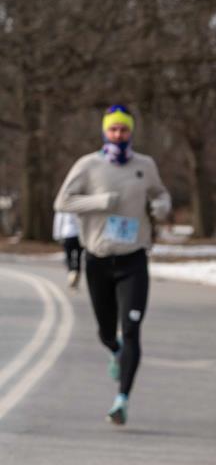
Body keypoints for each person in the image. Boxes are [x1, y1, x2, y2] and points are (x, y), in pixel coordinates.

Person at [53, 104, 171, 425]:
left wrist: (161, 206)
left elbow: (161, 194)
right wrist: (98, 202)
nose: (119, 134)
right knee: (107, 332)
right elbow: (62, 202)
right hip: (99, 260)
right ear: (105, 131)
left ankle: (122, 400)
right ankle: (114, 350)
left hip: (133, 259)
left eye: (124, 129)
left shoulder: (145, 165)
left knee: (131, 329)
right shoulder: (88, 165)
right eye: (113, 129)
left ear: (131, 131)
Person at [52, 210, 82, 288]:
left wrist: (57, 236)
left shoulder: (63, 208)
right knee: (78, 258)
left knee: (68, 257)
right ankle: (77, 272)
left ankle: (71, 273)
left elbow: (58, 222)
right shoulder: (78, 206)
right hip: (78, 235)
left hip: (67, 235)